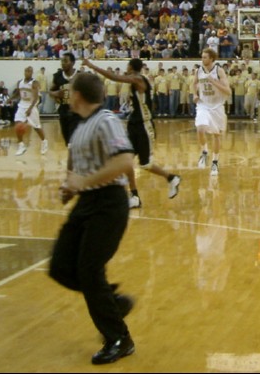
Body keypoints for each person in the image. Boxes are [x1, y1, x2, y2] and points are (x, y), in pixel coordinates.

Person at [49, 72, 136, 365]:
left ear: (77, 95)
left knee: (89, 269)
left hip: (108, 203)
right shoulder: (80, 126)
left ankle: (119, 338)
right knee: (60, 266)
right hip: (86, 203)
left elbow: (124, 161)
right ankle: (112, 303)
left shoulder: (106, 120)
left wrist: (82, 184)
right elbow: (78, 168)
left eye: (69, 90)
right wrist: (69, 187)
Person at [83, 58, 181, 202]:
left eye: (127, 65)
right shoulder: (136, 79)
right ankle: (134, 195)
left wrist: (92, 66)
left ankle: (171, 178)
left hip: (144, 126)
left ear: (131, 67)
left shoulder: (137, 79)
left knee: (145, 164)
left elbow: (114, 77)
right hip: (134, 124)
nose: (126, 68)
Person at [193, 48, 231, 175]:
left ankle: (215, 162)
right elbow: (194, 84)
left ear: (211, 59)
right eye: (202, 57)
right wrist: (194, 94)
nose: (202, 59)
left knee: (216, 135)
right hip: (203, 105)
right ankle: (204, 152)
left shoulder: (219, 71)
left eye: (205, 57)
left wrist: (213, 81)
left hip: (217, 106)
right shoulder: (198, 70)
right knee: (200, 128)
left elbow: (228, 91)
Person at [13, 66, 48, 156]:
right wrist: (10, 99)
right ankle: (21, 145)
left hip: (31, 105)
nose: (28, 72)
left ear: (32, 73)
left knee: (36, 128)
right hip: (22, 105)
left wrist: (30, 109)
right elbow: (17, 93)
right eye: (26, 71)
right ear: (24, 72)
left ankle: (44, 142)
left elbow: (36, 98)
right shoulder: (19, 82)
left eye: (30, 71)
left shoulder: (34, 83)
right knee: (17, 124)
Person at [49, 52, 79, 145]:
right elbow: (50, 91)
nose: (63, 63)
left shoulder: (80, 76)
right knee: (67, 141)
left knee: (74, 140)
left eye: (66, 61)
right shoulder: (58, 76)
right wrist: (56, 93)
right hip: (63, 111)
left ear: (73, 63)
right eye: (62, 61)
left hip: (77, 112)